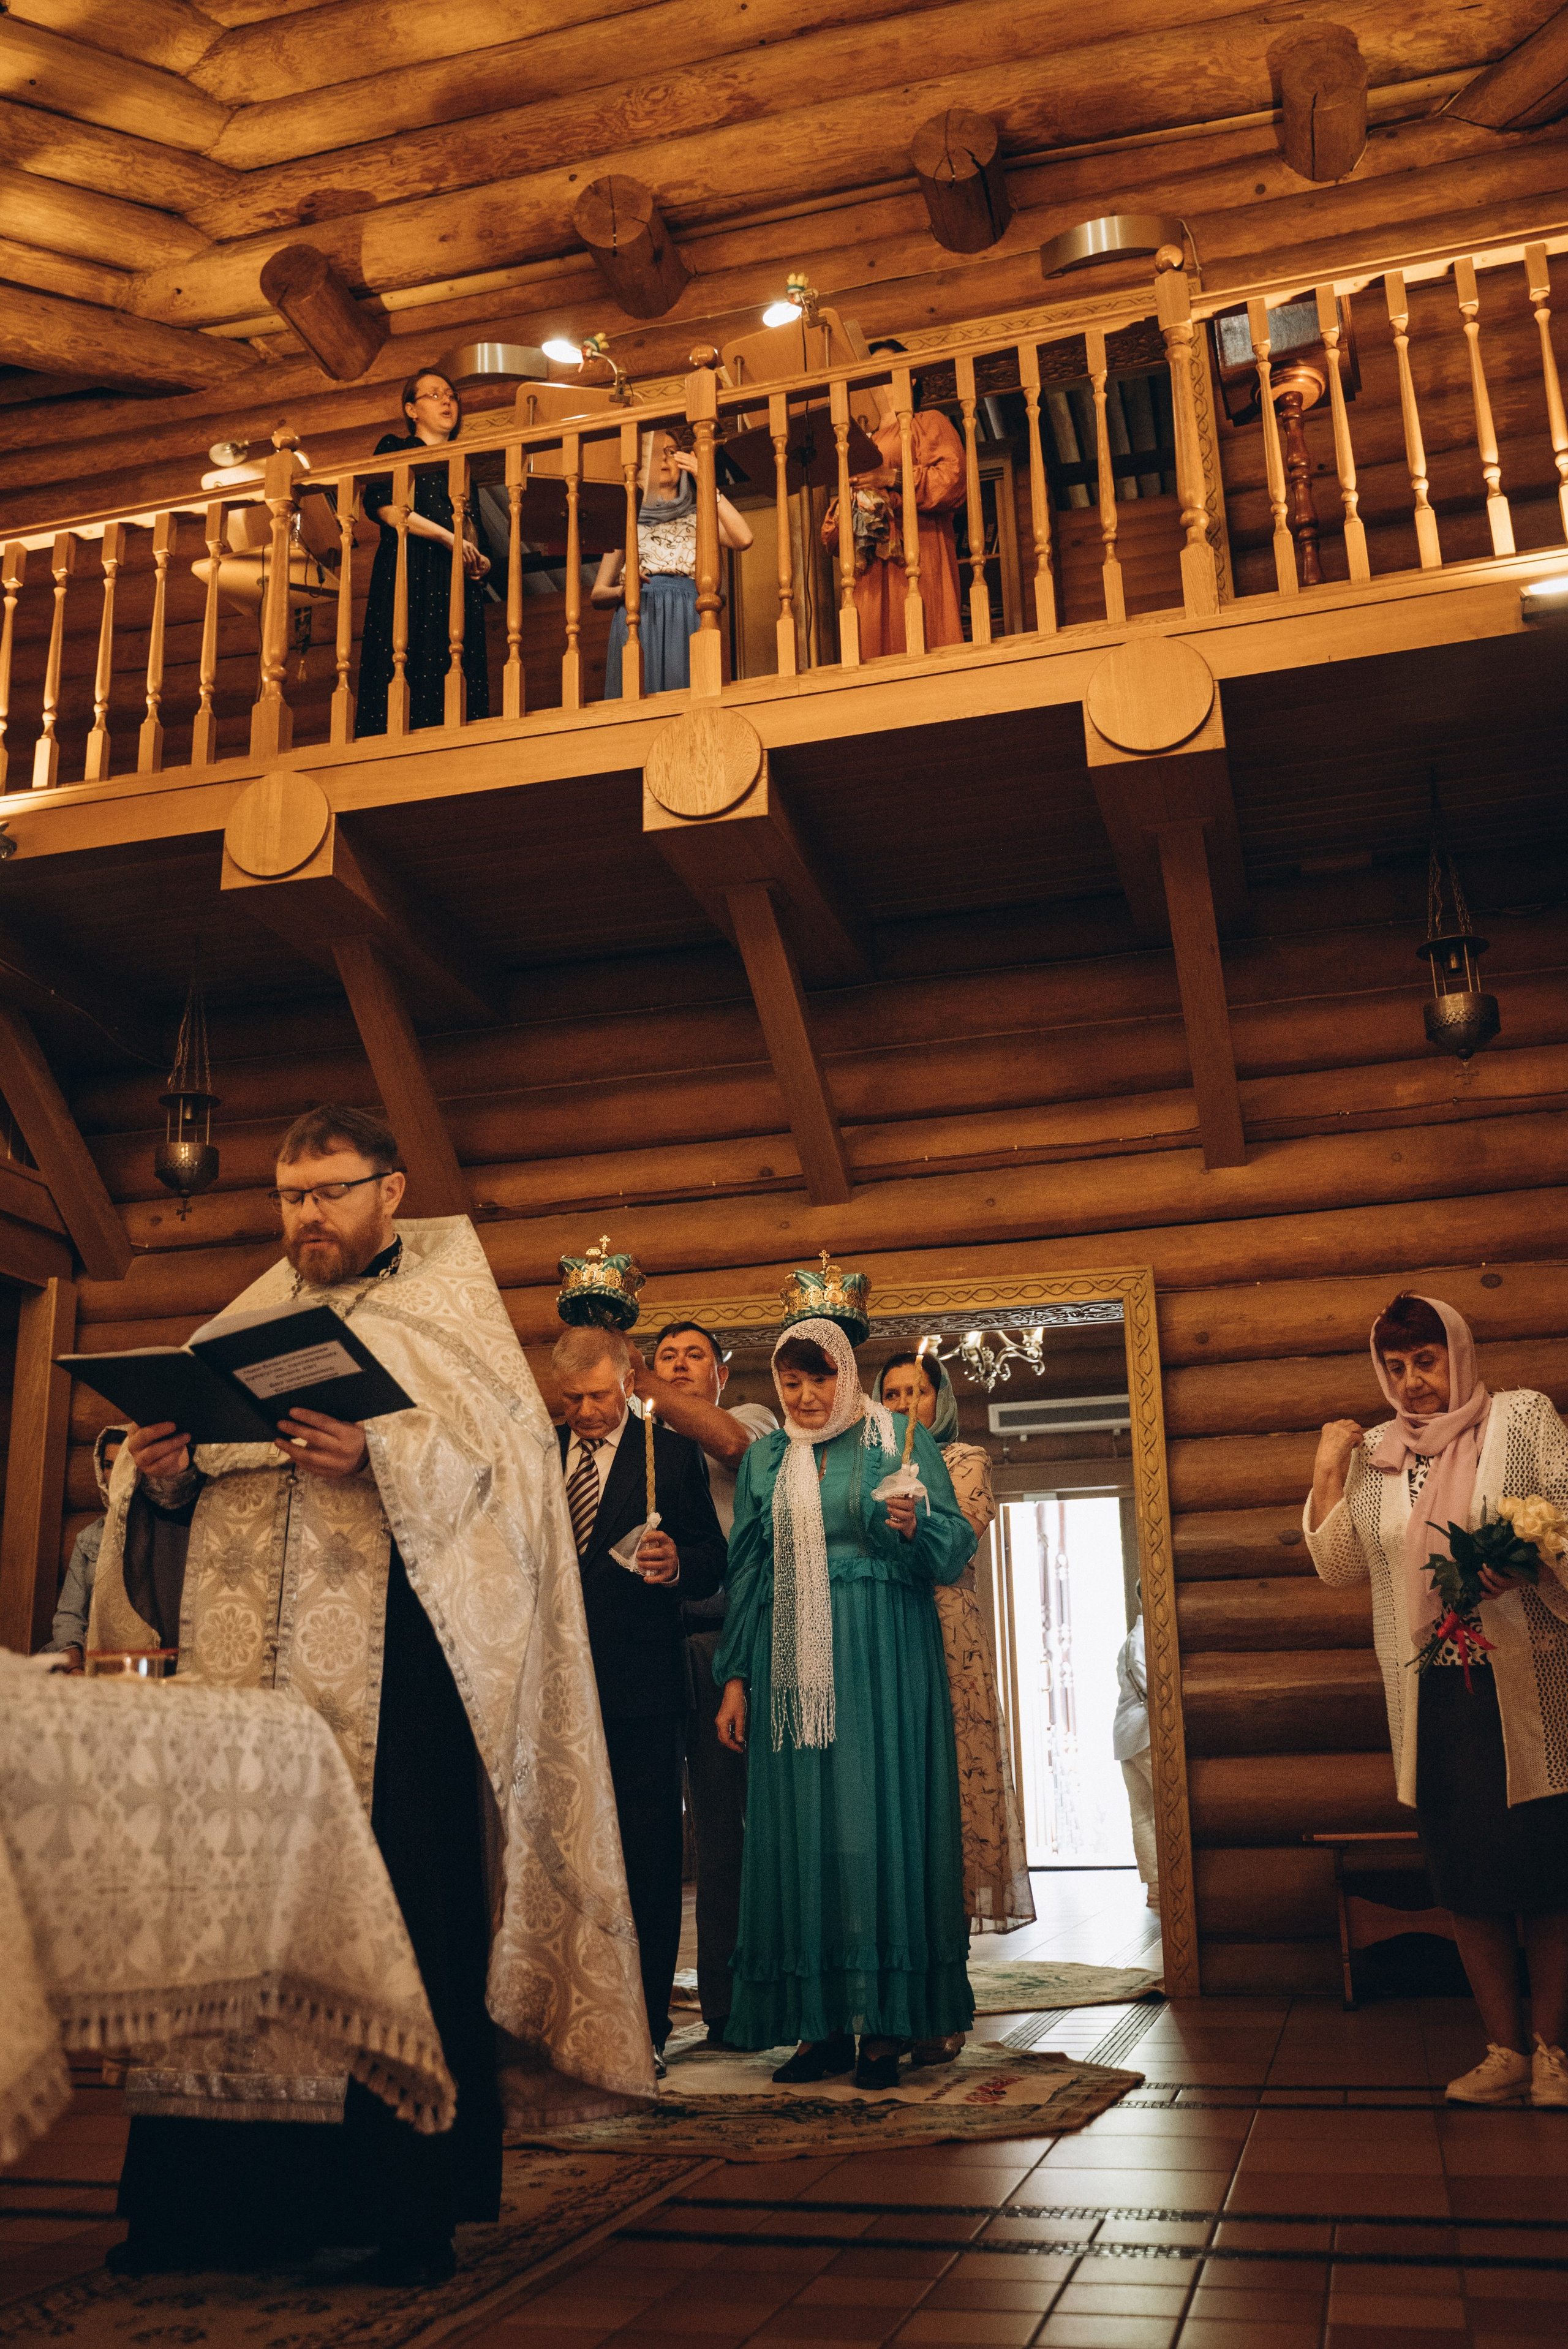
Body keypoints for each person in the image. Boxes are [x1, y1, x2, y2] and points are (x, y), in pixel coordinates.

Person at [88, 1106, 650, 2282]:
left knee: (401, 1934)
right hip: (248, 1723)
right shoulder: (246, 1320)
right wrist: (172, 1483)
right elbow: (186, 1536)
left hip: (400, 1712)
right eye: (290, 1196)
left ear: (390, 1192)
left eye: (329, 1192)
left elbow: (511, 1510)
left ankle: (404, 2210)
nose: (306, 1216)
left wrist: (383, 1460)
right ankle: (207, 2211)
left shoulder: (456, 1325)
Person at [1306, 1291, 1568, 2110]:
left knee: (1547, 1867)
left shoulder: (1521, 1420)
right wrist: (1325, 1466)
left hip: (1526, 1679)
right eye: (1396, 1365)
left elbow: (1564, 1511)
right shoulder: (1378, 1449)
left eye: (1427, 1359)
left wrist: (1530, 1560)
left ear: (1459, 1352)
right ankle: (1503, 2049)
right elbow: (1341, 1562)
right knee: (1464, 1871)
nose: (1414, 1381)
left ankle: (1554, 2050)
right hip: (1433, 1687)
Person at [715, 1319, 974, 2088]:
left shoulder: (894, 1438)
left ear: (847, 1376)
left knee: (878, 1817)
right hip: (788, 1653)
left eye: (818, 1379)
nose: (803, 1396)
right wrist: (735, 1677)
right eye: (790, 1383)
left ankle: (889, 2024)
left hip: (881, 1649)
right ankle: (817, 2025)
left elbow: (954, 1547)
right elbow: (749, 1570)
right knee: (806, 1828)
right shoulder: (767, 1456)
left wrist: (915, 1523)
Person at [552, 1324, 728, 2064]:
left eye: (597, 1394)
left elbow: (712, 1560)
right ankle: (568, 2019)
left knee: (647, 1861)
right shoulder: (538, 1450)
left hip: (642, 1685)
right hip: (556, 1685)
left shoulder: (672, 1451)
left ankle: (645, 2029)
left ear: (628, 1379)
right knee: (561, 1857)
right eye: (572, 1399)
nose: (586, 1412)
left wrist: (674, 1560)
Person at [632, 1322, 776, 2048]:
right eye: (666, 1357)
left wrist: (636, 1377)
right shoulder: (626, 1436)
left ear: (722, 1371)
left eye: (695, 1356)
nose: (680, 1367)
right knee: (648, 1831)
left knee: (728, 1829)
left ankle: (731, 2003)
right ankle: (641, 2010)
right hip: (645, 1644)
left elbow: (731, 1448)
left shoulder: (750, 1419)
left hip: (726, 1642)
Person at [875, 1352, 1034, 1937]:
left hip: (947, 1627)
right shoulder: (868, 1461)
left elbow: (957, 1536)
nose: (901, 1405)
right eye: (890, 1395)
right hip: (887, 1620)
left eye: (915, 1392)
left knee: (955, 1780)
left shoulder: (964, 1458)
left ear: (939, 1401)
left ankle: (949, 1954)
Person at [356, 370, 492, 736]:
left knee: (455, 666)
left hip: (453, 581)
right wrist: (449, 539)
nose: (447, 401)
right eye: (434, 395)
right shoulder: (395, 447)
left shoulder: (462, 465)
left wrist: (480, 560)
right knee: (406, 655)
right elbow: (386, 508)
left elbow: (473, 532)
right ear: (411, 410)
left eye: (451, 395)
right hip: (410, 571)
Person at [822, 339, 965, 658]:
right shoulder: (859, 440)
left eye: (883, 371)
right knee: (873, 653)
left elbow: (951, 481)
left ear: (909, 378)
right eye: (870, 374)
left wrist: (892, 479)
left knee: (925, 638)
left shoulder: (928, 423)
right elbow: (833, 537)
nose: (876, 380)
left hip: (920, 553)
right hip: (870, 570)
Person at [592, 428, 753, 696]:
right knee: (637, 696)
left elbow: (744, 538)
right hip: (639, 615)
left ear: (682, 462)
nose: (664, 460)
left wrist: (706, 479)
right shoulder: (628, 518)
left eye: (670, 452)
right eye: (655, 454)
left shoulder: (700, 515)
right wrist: (623, 590)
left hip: (688, 612)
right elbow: (598, 594)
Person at [46, 1425, 126, 1668]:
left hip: (140, 1660)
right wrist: (74, 1669)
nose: (113, 1474)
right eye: (108, 1465)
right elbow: (69, 1615)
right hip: (88, 1658)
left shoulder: (162, 1532)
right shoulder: (89, 1539)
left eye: (123, 1464)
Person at [1113, 1613, 1159, 1907]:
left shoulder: (1133, 1639)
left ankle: (1156, 1888)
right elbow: (1152, 1690)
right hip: (1144, 1732)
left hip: (1128, 1734)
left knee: (1142, 1812)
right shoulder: (1143, 1639)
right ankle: (1170, 1882)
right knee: (1169, 1804)